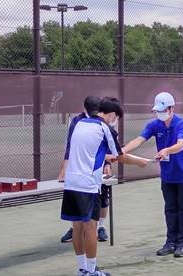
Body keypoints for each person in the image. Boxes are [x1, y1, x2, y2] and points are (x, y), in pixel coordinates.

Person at [61, 97, 148, 276]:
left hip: (71, 183)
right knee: (90, 228)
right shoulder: (105, 128)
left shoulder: (79, 123)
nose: (115, 121)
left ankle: (82, 270)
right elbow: (120, 156)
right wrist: (140, 162)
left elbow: (89, 152)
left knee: (77, 228)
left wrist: (105, 158)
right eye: (116, 118)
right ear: (113, 115)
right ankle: (91, 271)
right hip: (88, 186)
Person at [122, 91, 183, 258]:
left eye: (163, 110)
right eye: (157, 111)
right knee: (170, 208)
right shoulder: (154, 125)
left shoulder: (182, 124)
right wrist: (122, 151)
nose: (159, 114)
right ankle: (170, 243)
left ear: (171, 109)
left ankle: (181, 244)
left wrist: (166, 150)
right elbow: (139, 140)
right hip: (167, 175)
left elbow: (181, 145)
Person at [59, 96, 111, 243]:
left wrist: (108, 165)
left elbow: (107, 146)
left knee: (103, 197)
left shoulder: (103, 122)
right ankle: (75, 228)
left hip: (97, 170)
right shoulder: (76, 121)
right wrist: (64, 168)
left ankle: (101, 227)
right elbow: (70, 146)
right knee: (77, 201)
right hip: (79, 173)